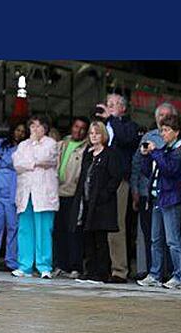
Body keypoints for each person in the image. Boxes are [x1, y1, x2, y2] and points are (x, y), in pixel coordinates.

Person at [134, 102, 181, 283]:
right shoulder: (166, 150)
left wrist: (155, 153)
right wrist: (147, 155)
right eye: (161, 131)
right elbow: (149, 171)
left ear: (176, 132)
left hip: (171, 199)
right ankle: (155, 274)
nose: (162, 134)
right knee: (155, 240)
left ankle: (177, 276)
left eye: (166, 131)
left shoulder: (180, 151)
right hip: (158, 197)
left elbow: (169, 169)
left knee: (173, 240)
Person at [96, 93, 139, 283]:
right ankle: (101, 267)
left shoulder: (129, 126)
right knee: (100, 225)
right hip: (101, 180)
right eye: (108, 104)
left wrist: (112, 119)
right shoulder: (102, 126)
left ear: (123, 108)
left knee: (117, 226)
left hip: (119, 180)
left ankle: (119, 270)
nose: (110, 107)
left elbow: (126, 138)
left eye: (115, 104)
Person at [71, 121, 122, 284]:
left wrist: (104, 195)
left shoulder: (110, 154)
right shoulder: (88, 153)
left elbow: (115, 177)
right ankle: (90, 270)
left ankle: (102, 272)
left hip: (101, 204)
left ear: (103, 135)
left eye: (97, 133)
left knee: (101, 239)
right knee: (88, 237)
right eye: (91, 133)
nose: (93, 136)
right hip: (87, 202)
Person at [11, 115, 60, 279]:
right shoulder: (23, 145)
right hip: (26, 193)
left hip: (44, 195)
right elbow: (17, 163)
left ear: (45, 128)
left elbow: (46, 158)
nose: (35, 129)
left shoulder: (51, 143)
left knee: (44, 230)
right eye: (32, 126)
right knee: (25, 230)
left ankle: (44, 266)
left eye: (39, 126)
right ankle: (24, 266)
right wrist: (34, 162)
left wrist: (30, 161)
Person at [0, 121, 27, 271]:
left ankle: (11, 261)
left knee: (13, 228)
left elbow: (17, 164)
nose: (19, 133)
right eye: (17, 129)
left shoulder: (24, 147)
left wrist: (2, 160)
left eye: (22, 131)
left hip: (14, 194)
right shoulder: (1, 142)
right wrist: (7, 162)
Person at [52, 116, 89, 279]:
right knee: (58, 231)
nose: (78, 130)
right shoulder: (61, 144)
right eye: (76, 126)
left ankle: (75, 266)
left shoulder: (86, 148)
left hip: (74, 194)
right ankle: (61, 264)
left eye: (82, 128)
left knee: (74, 232)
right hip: (57, 193)